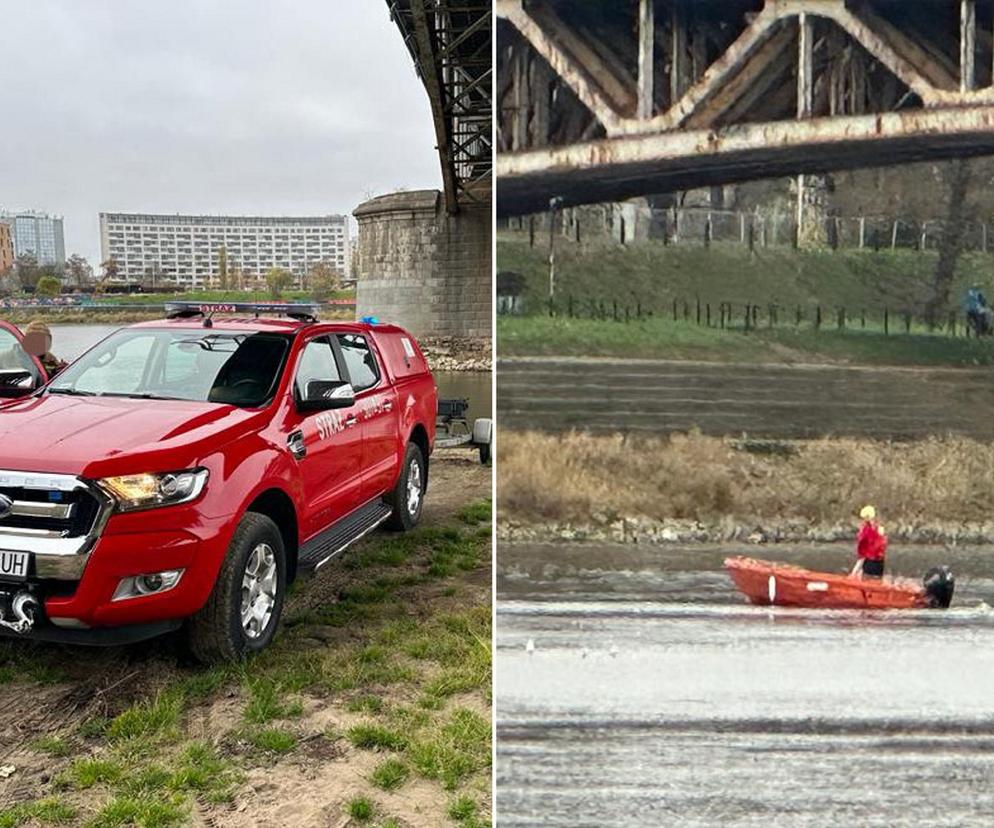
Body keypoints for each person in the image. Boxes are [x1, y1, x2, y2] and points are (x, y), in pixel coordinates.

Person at [851, 504, 887, 579]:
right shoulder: (879, 529)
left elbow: (863, 549)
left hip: (870, 560)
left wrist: (855, 571)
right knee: (876, 581)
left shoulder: (866, 530)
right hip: (879, 560)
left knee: (867, 581)